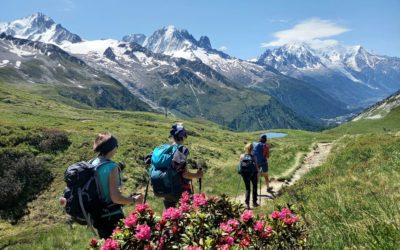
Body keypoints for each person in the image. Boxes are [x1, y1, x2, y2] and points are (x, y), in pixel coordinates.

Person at [91, 132, 143, 238]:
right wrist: (133, 200)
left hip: (97, 215)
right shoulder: (111, 167)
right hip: (112, 216)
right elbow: (115, 198)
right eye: (116, 146)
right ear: (112, 148)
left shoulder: (92, 163)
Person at [163, 123, 203, 209]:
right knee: (186, 217)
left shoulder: (165, 150)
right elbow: (185, 174)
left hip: (166, 190)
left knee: (171, 217)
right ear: (183, 136)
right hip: (181, 190)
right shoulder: (181, 149)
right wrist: (197, 175)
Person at [239, 143, 259, 209]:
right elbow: (256, 166)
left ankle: (247, 204)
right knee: (255, 187)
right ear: (252, 149)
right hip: (253, 173)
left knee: (247, 188)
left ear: (245, 148)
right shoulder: (254, 156)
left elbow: (240, 165)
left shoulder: (242, 156)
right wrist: (258, 171)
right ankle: (254, 202)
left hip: (245, 174)